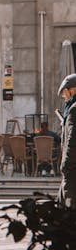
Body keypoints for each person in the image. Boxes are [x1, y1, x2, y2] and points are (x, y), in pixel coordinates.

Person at [57, 72, 76, 208]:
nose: (64, 96)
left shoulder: (73, 110)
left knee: (68, 203)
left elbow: (72, 139)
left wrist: (66, 164)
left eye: (65, 92)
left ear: (72, 89)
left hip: (72, 166)